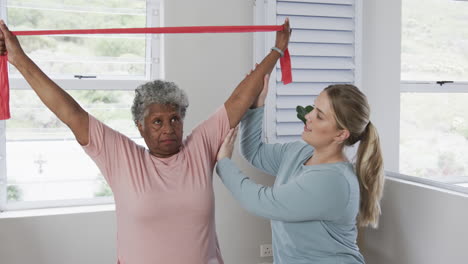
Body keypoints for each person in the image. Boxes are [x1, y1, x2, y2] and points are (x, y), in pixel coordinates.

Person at [0, 19, 290, 264]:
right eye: (157, 122)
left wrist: (277, 49)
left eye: (175, 119)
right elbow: (71, 113)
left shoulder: (199, 147)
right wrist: (19, 59)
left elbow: (240, 99)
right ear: (140, 126)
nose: (168, 129)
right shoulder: (121, 157)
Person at [216, 77, 385, 263]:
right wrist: (257, 105)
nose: (308, 116)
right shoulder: (299, 151)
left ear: (341, 134)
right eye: (313, 107)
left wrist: (224, 163)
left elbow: (263, 202)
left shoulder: (334, 181)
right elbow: (254, 152)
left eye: (320, 116)